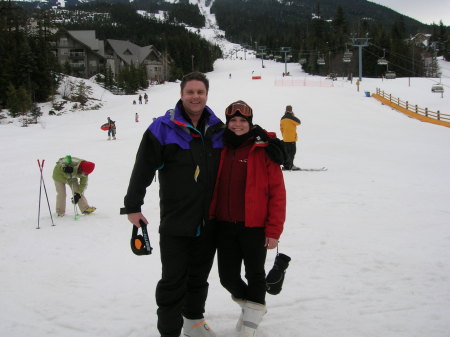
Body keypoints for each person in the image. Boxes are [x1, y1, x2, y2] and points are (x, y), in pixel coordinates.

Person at [120, 72, 224, 337]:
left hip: (209, 220)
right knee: (173, 281)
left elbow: (240, 151)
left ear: (206, 95)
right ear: (181, 94)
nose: (195, 97)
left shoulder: (217, 127)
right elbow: (143, 167)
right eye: (190, 92)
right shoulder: (163, 128)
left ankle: (193, 322)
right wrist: (133, 205)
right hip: (177, 220)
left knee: (199, 277)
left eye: (200, 92)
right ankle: (169, 331)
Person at [209, 100, 286, 337]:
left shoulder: (264, 150)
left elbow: (277, 193)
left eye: (243, 120)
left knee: (255, 275)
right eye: (233, 120)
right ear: (227, 122)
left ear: (250, 124)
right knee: (228, 277)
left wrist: (274, 231)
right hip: (223, 224)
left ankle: (249, 327)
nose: (238, 124)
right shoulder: (218, 146)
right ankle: (254, 308)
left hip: (254, 227)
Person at [280, 105, 301, 171]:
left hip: (285, 138)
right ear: (291, 110)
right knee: (292, 153)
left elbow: (281, 128)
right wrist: (292, 115)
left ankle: (286, 166)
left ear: (285, 110)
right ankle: (291, 166)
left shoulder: (282, 118)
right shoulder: (291, 117)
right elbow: (299, 122)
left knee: (286, 153)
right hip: (291, 138)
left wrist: (284, 135)